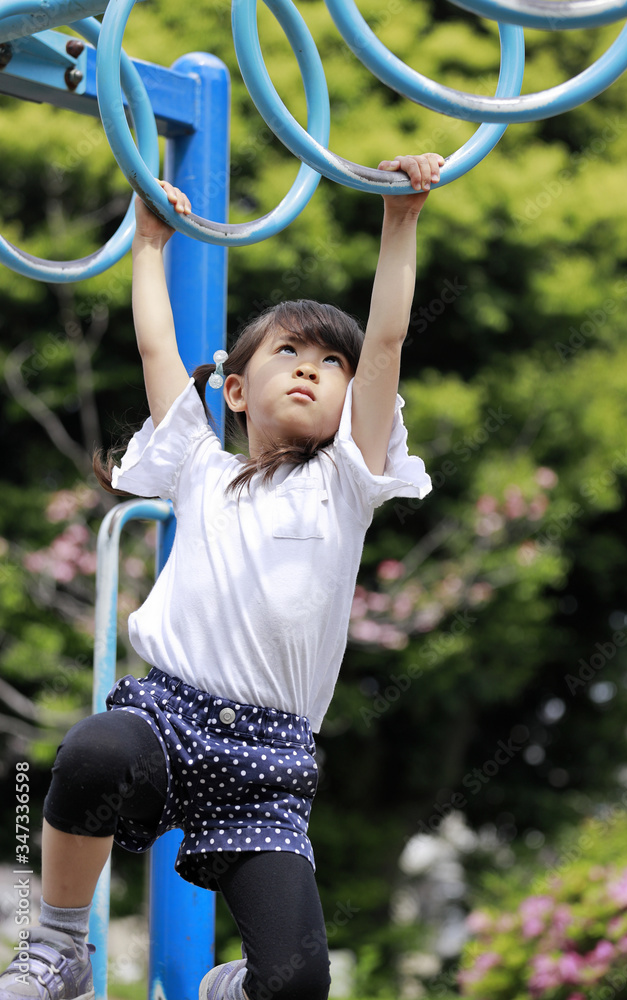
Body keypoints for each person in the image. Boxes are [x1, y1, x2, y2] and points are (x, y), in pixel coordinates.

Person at [0, 151, 443, 1000]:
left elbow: (386, 335)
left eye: (332, 363)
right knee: (93, 750)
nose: (315, 366)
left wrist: (401, 218)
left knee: (296, 986)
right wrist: (149, 240)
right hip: (172, 716)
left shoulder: (348, 477)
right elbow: (154, 343)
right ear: (236, 391)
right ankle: (58, 943)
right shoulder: (199, 466)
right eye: (291, 353)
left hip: (267, 763)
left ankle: (225, 988)